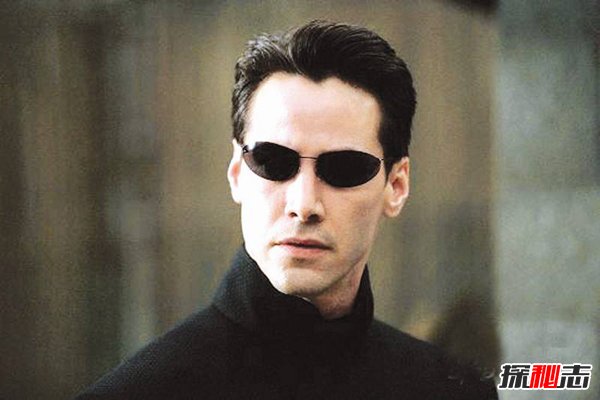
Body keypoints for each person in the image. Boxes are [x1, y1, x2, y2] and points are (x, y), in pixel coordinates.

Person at [75, 20, 497, 399]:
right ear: (237, 173)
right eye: (273, 162)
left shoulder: (451, 389)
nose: (303, 204)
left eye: (344, 168)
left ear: (396, 186)